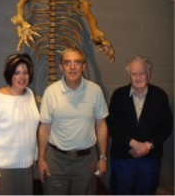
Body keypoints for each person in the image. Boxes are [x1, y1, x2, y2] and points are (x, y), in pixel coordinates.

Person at [38, 47, 109, 196]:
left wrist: (103, 157)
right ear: (61, 67)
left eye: (77, 62)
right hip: (56, 161)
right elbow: (44, 128)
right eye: (67, 63)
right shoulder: (51, 92)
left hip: (86, 162)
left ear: (84, 66)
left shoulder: (95, 91)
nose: (72, 67)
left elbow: (101, 125)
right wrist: (42, 159)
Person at [107, 55, 173, 196]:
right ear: (129, 76)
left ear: (148, 74)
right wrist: (132, 144)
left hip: (150, 159)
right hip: (123, 159)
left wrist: (148, 146)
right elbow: (112, 126)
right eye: (134, 74)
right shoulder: (118, 95)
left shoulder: (160, 96)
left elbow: (166, 127)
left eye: (141, 73)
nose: (138, 77)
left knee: (147, 192)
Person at [0, 54, 40, 196]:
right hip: (2, 170)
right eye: (16, 73)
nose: (22, 77)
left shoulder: (29, 94)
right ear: (9, 74)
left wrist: (34, 153)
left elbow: (30, 127)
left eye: (25, 72)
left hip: (25, 168)